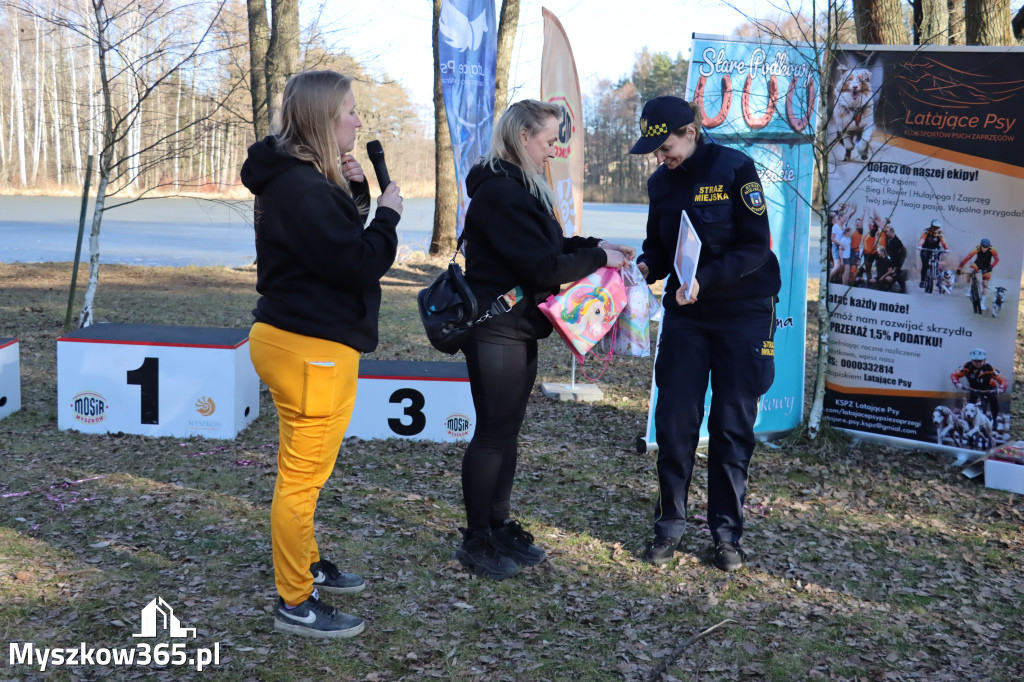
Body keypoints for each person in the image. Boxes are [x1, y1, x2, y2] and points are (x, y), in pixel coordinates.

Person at [240, 70, 404, 638]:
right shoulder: (301, 186)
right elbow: (357, 262)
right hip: (309, 349)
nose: (359, 120)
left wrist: (356, 195)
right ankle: (293, 600)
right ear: (322, 119)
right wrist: (387, 215)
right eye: (351, 111)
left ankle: (305, 564)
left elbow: (331, 244)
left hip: (308, 342)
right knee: (301, 480)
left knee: (303, 470)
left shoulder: (300, 178)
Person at [456, 99, 632, 580]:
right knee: (492, 433)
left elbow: (551, 250)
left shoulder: (520, 187)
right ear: (523, 137)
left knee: (506, 431)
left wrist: (599, 248)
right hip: (497, 328)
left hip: (517, 325)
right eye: (550, 138)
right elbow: (544, 268)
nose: (557, 148)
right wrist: (598, 258)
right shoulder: (501, 193)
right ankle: (476, 540)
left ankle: (497, 525)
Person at [629, 96, 780, 572]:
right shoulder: (660, 183)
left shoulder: (737, 169)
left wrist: (706, 279)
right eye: (655, 149)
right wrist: (645, 265)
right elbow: (658, 243)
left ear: (691, 132)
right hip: (686, 315)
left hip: (744, 313)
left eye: (666, 145)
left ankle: (726, 535)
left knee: (731, 428)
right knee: (674, 424)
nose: (660, 155)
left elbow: (756, 246)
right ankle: (669, 525)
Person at [950, 348, 1008, 420]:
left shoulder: (989, 368)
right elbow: (954, 374)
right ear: (971, 361)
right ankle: (971, 420)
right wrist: (957, 383)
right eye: (975, 361)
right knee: (971, 404)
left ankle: (994, 420)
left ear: (984, 360)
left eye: (980, 361)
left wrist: (1002, 388)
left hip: (989, 388)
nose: (978, 363)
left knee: (994, 400)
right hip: (974, 389)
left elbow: (1003, 379)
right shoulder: (966, 367)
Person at [957, 238, 1000, 311]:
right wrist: (960, 266)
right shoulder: (977, 248)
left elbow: (997, 259)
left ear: (989, 246)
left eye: (986, 247)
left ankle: (982, 303)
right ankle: (969, 289)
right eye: (983, 247)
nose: (984, 249)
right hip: (977, 264)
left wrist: (991, 267)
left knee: (985, 285)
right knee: (971, 272)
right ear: (980, 245)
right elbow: (968, 257)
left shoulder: (992, 249)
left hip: (987, 266)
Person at [917, 218, 948, 288]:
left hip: (935, 249)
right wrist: (920, 245)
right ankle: (922, 281)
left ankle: (937, 279)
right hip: (926, 249)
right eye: (934, 227)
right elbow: (922, 239)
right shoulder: (926, 231)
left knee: (937, 264)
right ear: (931, 226)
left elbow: (943, 241)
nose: (935, 229)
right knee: (924, 265)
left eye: (937, 227)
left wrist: (946, 248)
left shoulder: (940, 233)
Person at [876, 221, 906, 292]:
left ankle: (903, 288)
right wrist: (875, 221)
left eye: (888, 232)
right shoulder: (889, 238)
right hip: (891, 260)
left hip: (897, 261)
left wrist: (897, 266)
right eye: (886, 232)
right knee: (889, 274)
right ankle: (888, 286)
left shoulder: (897, 241)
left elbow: (901, 254)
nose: (886, 234)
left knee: (896, 274)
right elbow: (883, 229)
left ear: (892, 232)